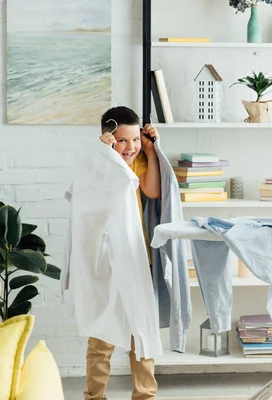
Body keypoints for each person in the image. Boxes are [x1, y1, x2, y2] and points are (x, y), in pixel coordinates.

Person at [84, 106, 161, 399]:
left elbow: (152, 191)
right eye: (122, 141)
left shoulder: (138, 159)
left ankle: (145, 395)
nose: (130, 147)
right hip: (106, 259)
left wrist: (151, 152)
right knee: (101, 336)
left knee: (141, 332)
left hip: (135, 255)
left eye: (134, 140)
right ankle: (94, 395)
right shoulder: (96, 162)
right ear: (107, 137)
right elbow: (91, 198)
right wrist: (102, 157)